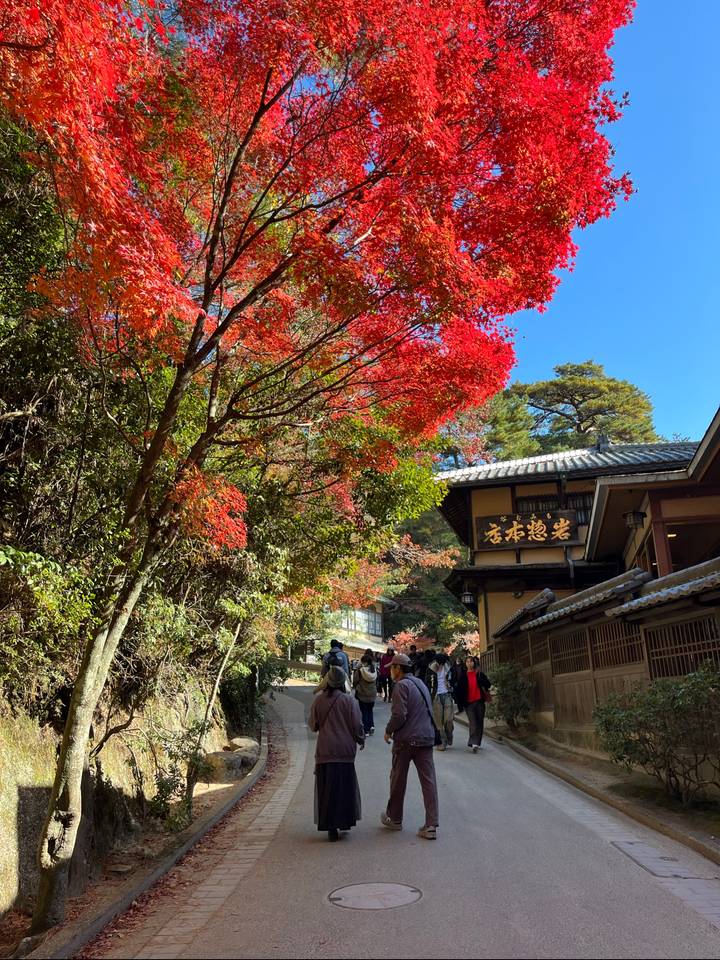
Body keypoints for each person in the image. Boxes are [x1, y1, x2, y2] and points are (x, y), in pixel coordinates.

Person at [381, 653, 439, 840]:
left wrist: (389, 730)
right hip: (426, 738)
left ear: (398, 668)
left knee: (398, 779)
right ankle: (431, 825)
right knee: (428, 781)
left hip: (406, 740)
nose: (390, 670)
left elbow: (399, 715)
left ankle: (395, 819)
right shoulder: (420, 684)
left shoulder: (401, 686)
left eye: (392, 667)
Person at [308, 665, 365, 841]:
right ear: (343, 682)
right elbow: (357, 726)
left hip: (325, 751)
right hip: (345, 752)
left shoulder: (318, 701)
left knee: (327, 789)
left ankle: (330, 825)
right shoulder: (350, 702)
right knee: (344, 788)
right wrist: (360, 739)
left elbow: (313, 725)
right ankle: (344, 821)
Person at [456, 655, 491, 753]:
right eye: (467, 662)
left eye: (471, 661)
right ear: (465, 664)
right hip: (469, 703)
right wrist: (461, 703)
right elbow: (459, 690)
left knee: (480, 722)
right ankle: (473, 742)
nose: (469, 663)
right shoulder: (463, 676)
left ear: (474, 663)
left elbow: (488, 684)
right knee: (473, 722)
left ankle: (477, 742)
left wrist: (481, 679)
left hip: (479, 701)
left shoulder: (479, 674)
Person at [428, 652, 455, 751]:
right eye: (439, 663)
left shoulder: (448, 667)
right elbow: (427, 683)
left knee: (449, 719)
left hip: (447, 695)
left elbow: (454, 679)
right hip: (436, 697)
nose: (440, 665)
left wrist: (452, 687)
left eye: (442, 664)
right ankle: (442, 742)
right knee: (439, 722)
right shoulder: (430, 669)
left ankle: (449, 735)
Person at [353, 652, 378, 735]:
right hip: (372, 695)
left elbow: (355, 681)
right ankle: (371, 726)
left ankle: (366, 730)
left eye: (362, 661)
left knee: (364, 712)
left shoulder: (360, 671)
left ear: (365, 662)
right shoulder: (374, 670)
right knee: (370, 711)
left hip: (363, 694)